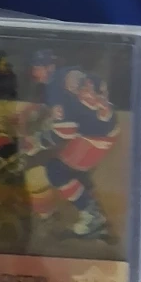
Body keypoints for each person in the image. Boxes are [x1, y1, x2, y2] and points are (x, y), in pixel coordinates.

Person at [21, 52, 119, 240]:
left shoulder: (55, 89)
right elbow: (87, 100)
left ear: (50, 67)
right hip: (105, 126)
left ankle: (93, 218)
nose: (34, 72)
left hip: (95, 137)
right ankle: (91, 204)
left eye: (37, 68)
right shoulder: (76, 73)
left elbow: (65, 131)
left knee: (56, 170)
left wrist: (37, 142)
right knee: (71, 167)